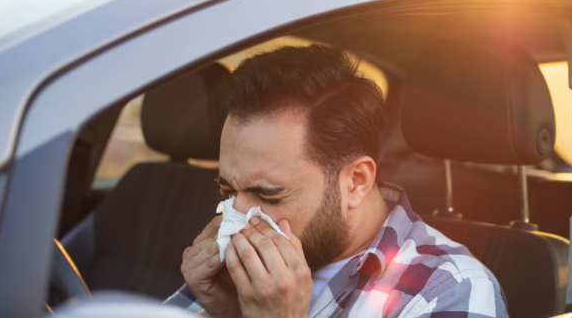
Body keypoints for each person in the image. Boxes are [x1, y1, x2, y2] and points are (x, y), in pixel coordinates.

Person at [163, 44, 508, 318]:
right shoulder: (229, 273)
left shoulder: (447, 290)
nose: (237, 218)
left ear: (356, 181)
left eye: (268, 195)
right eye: (227, 190)